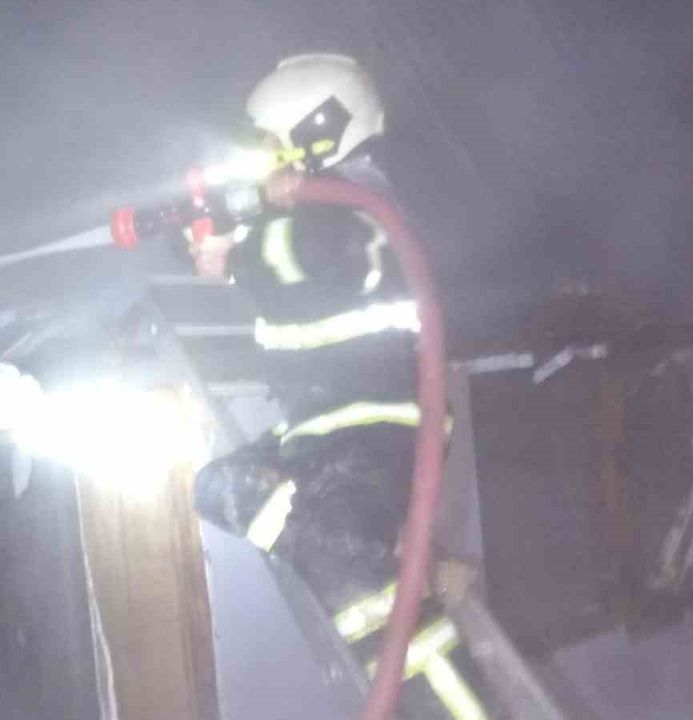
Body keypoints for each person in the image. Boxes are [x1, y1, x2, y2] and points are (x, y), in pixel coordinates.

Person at [190, 54, 426, 650]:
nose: (270, 158)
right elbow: (282, 261)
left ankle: (400, 640)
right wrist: (220, 243)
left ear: (317, 134)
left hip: (375, 427)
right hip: (321, 428)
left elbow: (304, 256)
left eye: (276, 144)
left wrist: (236, 253)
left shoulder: (361, 205)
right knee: (218, 486)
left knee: (361, 606)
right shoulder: (310, 214)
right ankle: (345, 549)